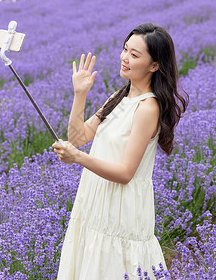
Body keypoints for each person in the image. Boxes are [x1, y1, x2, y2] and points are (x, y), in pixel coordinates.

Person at [52, 23, 188, 279]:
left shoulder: (148, 108)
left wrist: (78, 158)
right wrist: (79, 94)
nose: (125, 58)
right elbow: (78, 136)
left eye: (135, 55)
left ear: (154, 65)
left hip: (120, 210)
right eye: (125, 49)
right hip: (96, 201)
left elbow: (126, 172)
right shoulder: (119, 97)